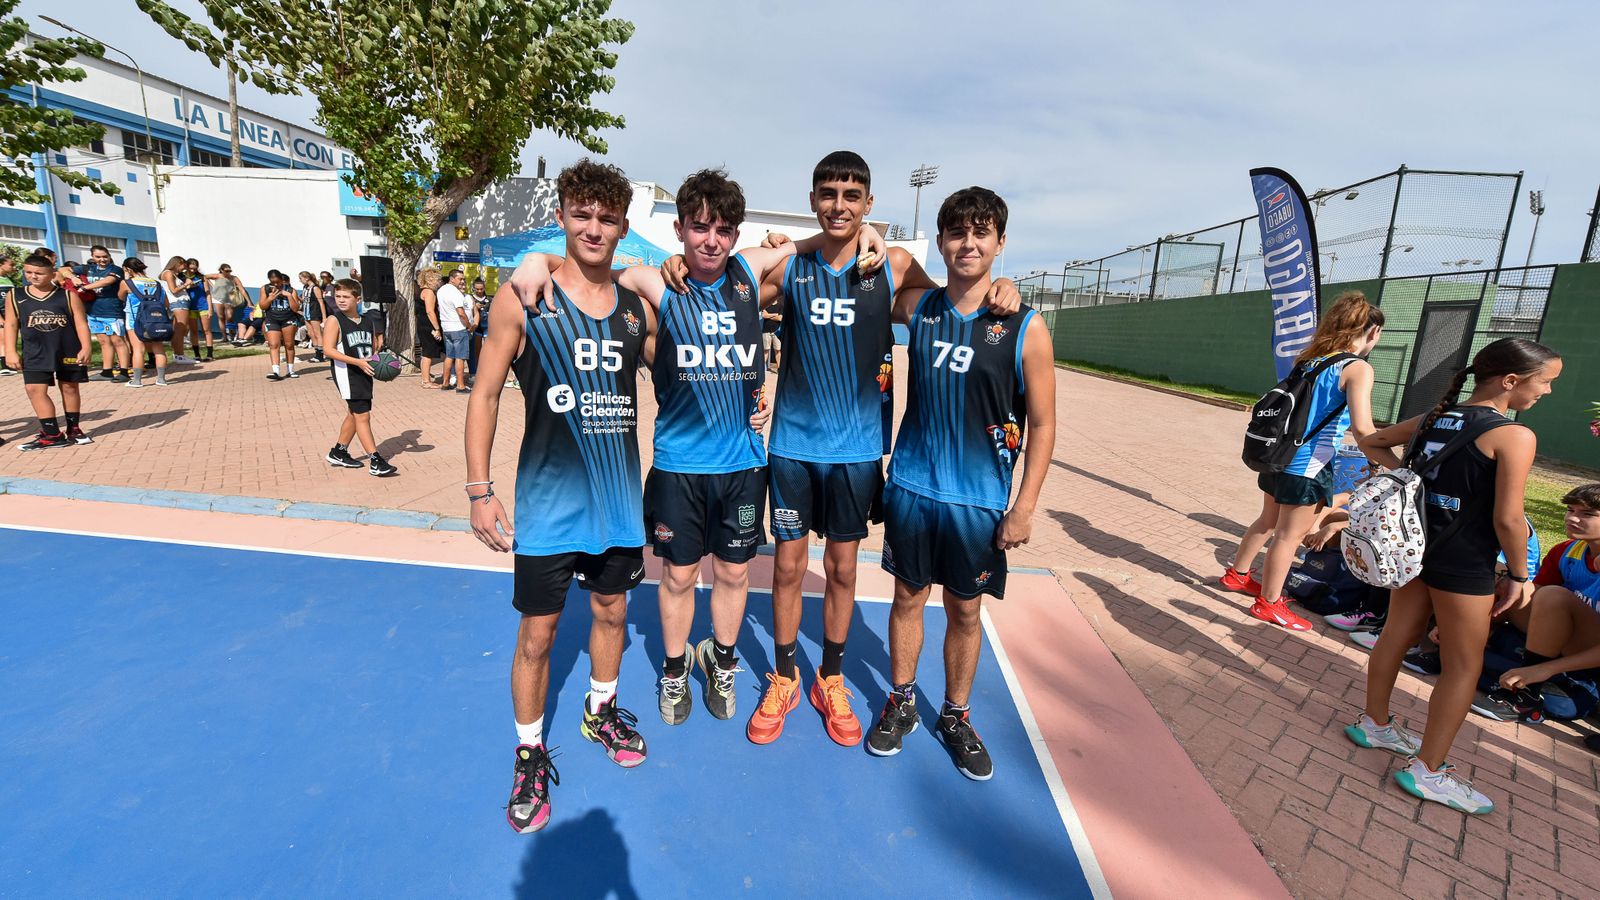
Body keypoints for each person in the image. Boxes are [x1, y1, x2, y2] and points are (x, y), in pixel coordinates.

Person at [509, 168, 872, 727]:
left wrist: (869, 234)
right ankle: (676, 670)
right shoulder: (655, 282)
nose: (711, 240)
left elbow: (824, 238)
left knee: (732, 574)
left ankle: (721, 662)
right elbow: (592, 267)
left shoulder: (750, 273)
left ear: (736, 234)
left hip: (744, 466)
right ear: (679, 229)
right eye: (699, 227)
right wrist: (538, 262)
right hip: (679, 465)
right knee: (677, 576)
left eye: (723, 229)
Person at [745, 151, 1017, 748]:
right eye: (828, 194)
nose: (839, 204)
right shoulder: (795, 267)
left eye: (851, 196)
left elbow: (955, 299)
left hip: (859, 453)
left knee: (843, 569)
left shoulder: (892, 266)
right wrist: (806, 240)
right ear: (813, 199)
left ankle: (832, 677)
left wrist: (1004, 282)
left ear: (869, 203)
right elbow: (738, 277)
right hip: (792, 447)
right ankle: (785, 674)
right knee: (788, 566)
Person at [467, 158, 652, 834]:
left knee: (610, 614)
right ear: (563, 217)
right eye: (583, 214)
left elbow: (695, 366)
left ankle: (600, 711)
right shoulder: (524, 297)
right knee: (538, 637)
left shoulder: (637, 308)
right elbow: (485, 394)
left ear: (623, 226)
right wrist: (479, 491)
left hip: (617, 505)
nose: (594, 227)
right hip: (547, 504)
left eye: (607, 218)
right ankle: (529, 753)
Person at [862, 187, 1053, 780]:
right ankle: (901, 702)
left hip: (978, 503)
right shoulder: (919, 306)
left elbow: (1044, 424)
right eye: (956, 233)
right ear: (942, 242)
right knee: (906, 599)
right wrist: (869, 233)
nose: (968, 243)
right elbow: (881, 260)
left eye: (981, 232)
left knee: (965, 612)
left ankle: (956, 714)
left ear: (999, 242)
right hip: (914, 488)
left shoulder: (1026, 326)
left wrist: (1024, 508)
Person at [1348, 338, 1561, 815]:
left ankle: (1374, 724)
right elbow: (1509, 519)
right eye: (1545, 381)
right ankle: (1429, 770)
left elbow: (1372, 440)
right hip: (1464, 563)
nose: (1546, 391)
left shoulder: (1431, 418)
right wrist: (1521, 575)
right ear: (1511, 381)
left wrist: (1408, 478)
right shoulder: (1514, 435)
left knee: (1396, 635)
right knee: (1464, 664)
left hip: (1415, 549)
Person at [1222, 291, 1385, 631]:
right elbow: (1363, 427)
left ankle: (1237, 576)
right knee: (1288, 536)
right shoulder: (1357, 368)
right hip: (1308, 465)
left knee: (1267, 521)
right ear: (1372, 333)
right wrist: (1392, 461)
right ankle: (1269, 603)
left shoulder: (1310, 360)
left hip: (1278, 458)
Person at [1483, 484, 1600, 723]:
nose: (1573, 518)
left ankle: (1527, 698)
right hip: (1559, 641)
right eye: (1570, 510)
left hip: (1590, 656)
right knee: (1513, 584)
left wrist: (1545, 669)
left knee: (1552, 595)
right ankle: (1466, 638)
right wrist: (1482, 626)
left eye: (1587, 514)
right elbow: (1529, 598)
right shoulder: (1566, 551)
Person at [3, 253, 94, 449]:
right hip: (35, 351)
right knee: (33, 389)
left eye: (38, 273)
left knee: (69, 387)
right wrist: (10, 351)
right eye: (28, 272)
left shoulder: (68, 296)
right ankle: (52, 434)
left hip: (67, 349)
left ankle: (73, 428)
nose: (33, 276)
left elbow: (81, 324)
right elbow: (10, 324)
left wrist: (86, 347)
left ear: (52, 273)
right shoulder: (15, 295)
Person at [321, 278, 396, 477]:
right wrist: (358, 363)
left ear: (358, 298)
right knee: (362, 415)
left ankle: (339, 451)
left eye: (346, 297)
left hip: (363, 370)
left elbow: (371, 349)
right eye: (338, 296)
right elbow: (328, 350)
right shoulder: (334, 320)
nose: (341, 300)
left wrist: (381, 362)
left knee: (354, 413)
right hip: (347, 372)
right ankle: (375, 460)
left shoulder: (368, 321)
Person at [81, 245, 129, 382]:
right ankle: (106, 371)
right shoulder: (89, 269)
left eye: (105, 256)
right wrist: (73, 277)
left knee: (117, 340)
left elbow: (109, 280)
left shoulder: (115, 269)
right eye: (98, 257)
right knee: (103, 341)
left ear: (109, 256)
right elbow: (63, 270)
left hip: (111, 312)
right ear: (92, 257)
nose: (102, 259)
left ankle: (124, 372)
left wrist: (85, 287)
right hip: (93, 312)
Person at [120, 258, 170, 388]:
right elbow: (166, 303)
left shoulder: (127, 283)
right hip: (155, 319)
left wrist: (126, 278)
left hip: (134, 320)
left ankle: (137, 381)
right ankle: (161, 379)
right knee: (158, 348)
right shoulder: (156, 283)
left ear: (128, 269)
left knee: (138, 349)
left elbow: (120, 297)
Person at [260, 270, 302, 380]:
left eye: (277, 282)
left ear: (282, 280)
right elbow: (262, 306)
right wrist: (270, 299)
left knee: (289, 344)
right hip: (272, 319)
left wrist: (288, 296)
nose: (275, 284)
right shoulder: (265, 289)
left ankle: (290, 370)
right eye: (272, 282)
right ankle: (276, 371)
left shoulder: (290, 290)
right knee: (273, 344)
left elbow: (296, 308)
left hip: (288, 319)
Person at [437, 268, 474, 392]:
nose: (462, 281)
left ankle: (445, 383)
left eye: (463, 279)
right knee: (460, 357)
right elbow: (461, 313)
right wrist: (469, 326)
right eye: (460, 279)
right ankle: (461, 386)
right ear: (452, 279)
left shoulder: (441, 290)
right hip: (458, 328)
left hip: (446, 328)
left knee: (449, 356)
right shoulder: (455, 293)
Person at [158, 255, 195, 364]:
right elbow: (174, 290)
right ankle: (179, 355)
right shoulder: (168, 273)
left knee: (178, 329)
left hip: (180, 302)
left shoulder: (173, 274)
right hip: (178, 303)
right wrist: (186, 284)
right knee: (181, 329)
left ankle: (178, 355)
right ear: (177, 263)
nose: (183, 268)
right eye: (183, 265)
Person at [415, 268, 444, 387]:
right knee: (428, 354)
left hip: (422, 324)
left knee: (425, 353)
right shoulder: (429, 292)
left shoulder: (421, 291)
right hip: (428, 326)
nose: (439, 282)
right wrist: (437, 328)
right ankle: (426, 381)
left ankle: (425, 379)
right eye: (438, 279)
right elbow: (430, 312)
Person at [184, 258, 215, 361]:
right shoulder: (183, 277)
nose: (193, 270)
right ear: (187, 267)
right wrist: (187, 286)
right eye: (191, 268)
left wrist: (210, 307)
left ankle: (210, 354)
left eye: (195, 268)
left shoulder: (202, 278)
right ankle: (197, 354)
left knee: (206, 330)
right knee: (194, 331)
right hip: (190, 307)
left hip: (203, 306)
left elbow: (207, 293)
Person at [298, 270, 327, 362]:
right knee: (311, 333)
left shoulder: (315, 288)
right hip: (306, 313)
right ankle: (316, 353)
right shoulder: (305, 287)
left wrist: (324, 317)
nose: (300, 280)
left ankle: (321, 355)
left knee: (317, 333)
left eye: (301, 278)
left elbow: (321, 303)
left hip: (314, 312)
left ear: (307, 278)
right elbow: (303, 299)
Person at [468, 277, 490, 377]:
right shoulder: (470, 298)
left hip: (487, 327)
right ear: (474, 288)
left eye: (481, 289)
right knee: (477, 349)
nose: (479, 291)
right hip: (476, 326)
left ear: (484, 288)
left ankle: (487, 368)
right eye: (477, 289)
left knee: (488, 349)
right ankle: (477, 369)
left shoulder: (489, 299)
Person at [0, 254, 16, 375]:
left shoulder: (8, 279)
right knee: (3, 340)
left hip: (10, 314)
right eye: (11, 265)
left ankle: (12, 364)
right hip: (1, 315)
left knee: (10, 339)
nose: (13, 267)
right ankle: (5, 366)